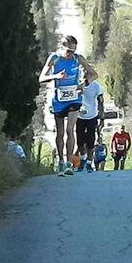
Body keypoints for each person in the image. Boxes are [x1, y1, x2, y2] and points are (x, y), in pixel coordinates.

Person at [39, 35, 98, 177]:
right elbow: (41, 78)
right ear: (61, 47)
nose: (70, 54)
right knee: (60, 133)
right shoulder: (54, 58)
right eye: (68, 51)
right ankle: (60, 161)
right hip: (59, 99)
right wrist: (56, 76)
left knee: (70, 130)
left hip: (74, 98)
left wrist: (84, 83)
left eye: (73, 51)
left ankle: (69, 163)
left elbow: (94, 74)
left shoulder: (78, 59)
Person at [76, 69, 104, 173]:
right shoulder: (77, 84)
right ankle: (82, 160)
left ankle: (89, 162)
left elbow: (101, 101)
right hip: (79, 116)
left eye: (87, 73)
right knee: (80, 140)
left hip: (92, 116)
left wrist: (102, 117)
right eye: (83, 73)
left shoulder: (96, 86)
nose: (85, 75)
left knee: (91, 140)